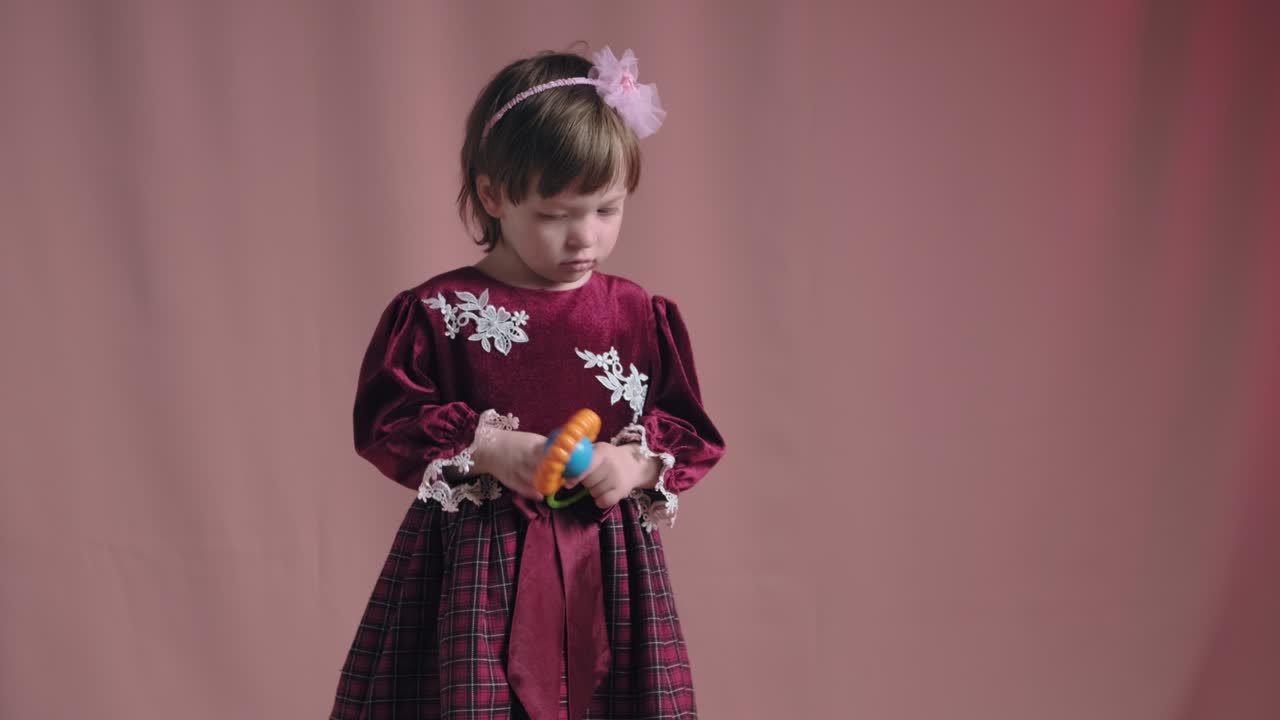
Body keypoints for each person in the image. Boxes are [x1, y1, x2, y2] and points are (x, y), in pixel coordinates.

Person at [330, 45, 725, 720]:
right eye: (555, 214)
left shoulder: (635, 313)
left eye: (607, 209)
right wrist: (490, 450)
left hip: (604, 566)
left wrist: (629, 463)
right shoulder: (438, 313)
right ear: (492, 194)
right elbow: (387, 417)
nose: (585, 239)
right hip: (475, 572)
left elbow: (687, 430)